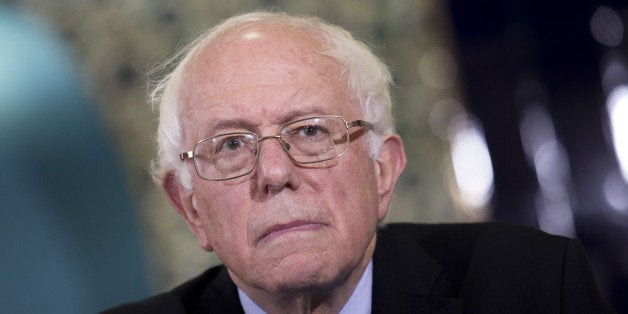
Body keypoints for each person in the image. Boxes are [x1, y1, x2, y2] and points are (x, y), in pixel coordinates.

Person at [105, 11, 615, 313]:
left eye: (309, 131)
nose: (276, 174)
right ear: (190, 206)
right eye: (231, 145)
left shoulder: (532, 287)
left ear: (382, 171)